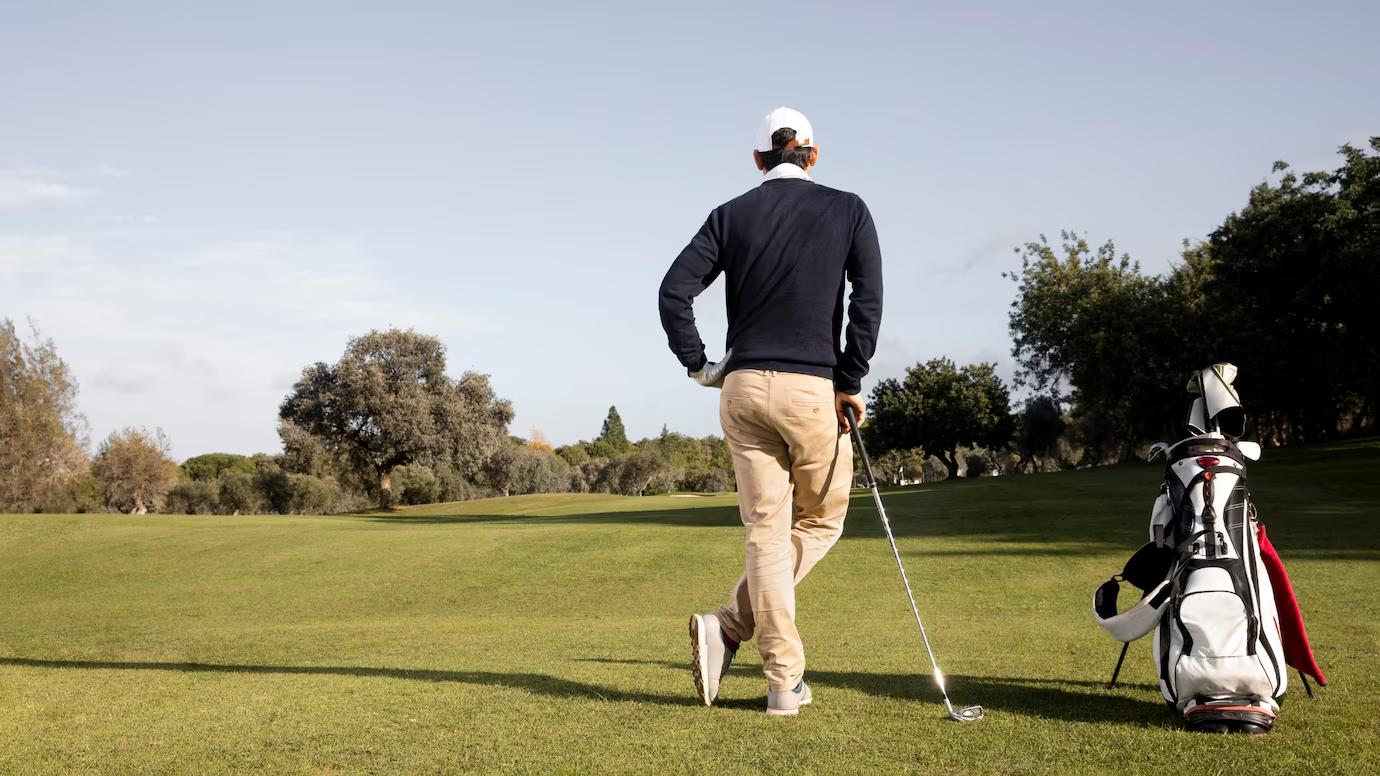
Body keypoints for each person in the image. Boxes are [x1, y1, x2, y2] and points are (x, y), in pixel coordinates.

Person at [657, 107, 883, 716]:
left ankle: (760, 659)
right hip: (813, 388)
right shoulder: (849, 209)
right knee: (822, 522)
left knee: (765, 532)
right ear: (813, 153)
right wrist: (851, 377)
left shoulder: (729, 214)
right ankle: (741, 637)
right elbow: (868, 299)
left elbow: (672, 291)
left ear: (760, 160)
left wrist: (701, 365)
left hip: (744, 387)